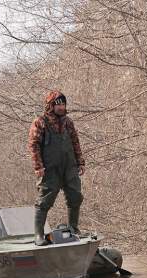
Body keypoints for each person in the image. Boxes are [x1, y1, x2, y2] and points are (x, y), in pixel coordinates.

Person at [28, 90, 85, 246]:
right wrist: (38, 166)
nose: (61, 107)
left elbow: (75, 143)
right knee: (44, 201)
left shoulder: (68, 122)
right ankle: (38, 234)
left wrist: (80, 162)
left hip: (69, 167)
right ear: (51, 106)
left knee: (75, 197)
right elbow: (33, 145)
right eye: (58, 104)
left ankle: (73, 228)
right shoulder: (40, 122)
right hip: (50, 169)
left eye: (63, 104)